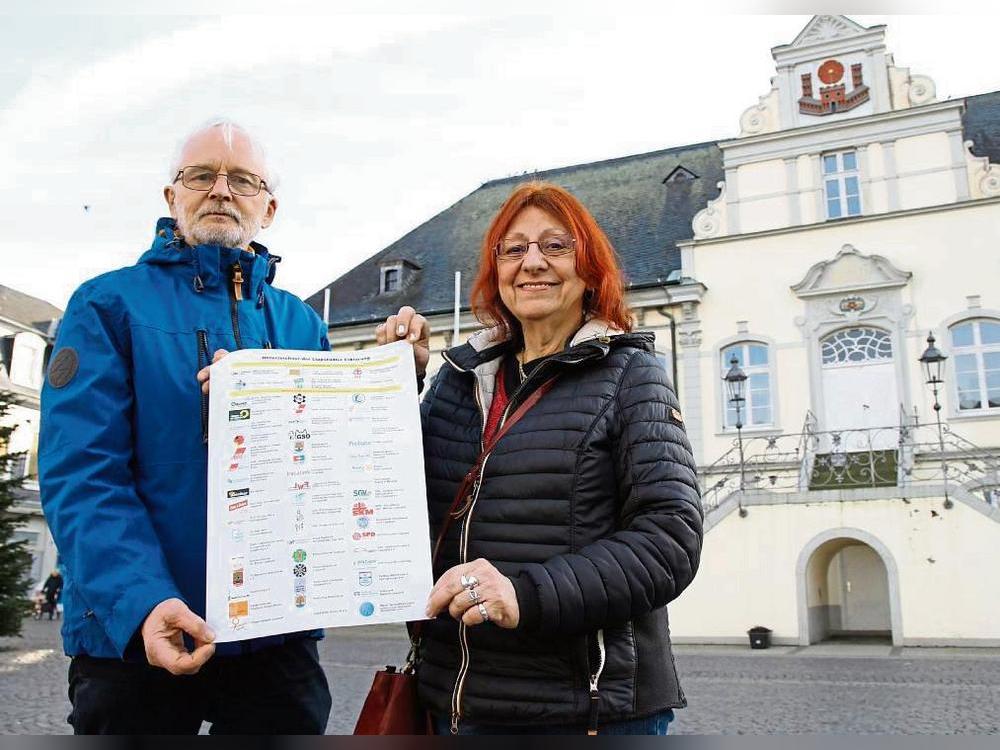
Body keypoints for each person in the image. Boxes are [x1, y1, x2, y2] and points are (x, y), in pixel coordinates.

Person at [376, 181, 704, 735]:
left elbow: (670, 538)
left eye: (556, 246)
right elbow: (396, 501)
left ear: (589, 268)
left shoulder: (631, 375)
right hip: (457, 702)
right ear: (495, 270)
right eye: (514, 249)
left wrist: (523, 595)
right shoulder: (459, 381)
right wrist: (392, 386)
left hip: (587, 710)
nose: (532, 263)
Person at [38, 119, 332, 735]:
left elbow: (326, 468)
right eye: (202, 175)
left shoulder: (303, 324)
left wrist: (392, 378)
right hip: (135, 634)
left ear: (269, 207)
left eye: (243, 180)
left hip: (274, 637)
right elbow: (82, 475)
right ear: (172, 196)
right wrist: (143, 601)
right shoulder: (105, 304)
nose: (221, 190)